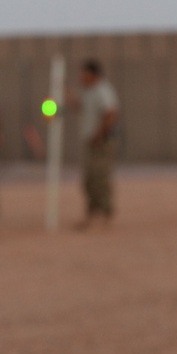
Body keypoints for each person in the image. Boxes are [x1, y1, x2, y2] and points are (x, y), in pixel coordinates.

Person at [75, 59, 119, 228]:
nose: (80, 76)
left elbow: (110, 112)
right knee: (89, 179)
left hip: (102, 143)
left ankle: (106, 215)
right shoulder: (88, 91)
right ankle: (92, 213)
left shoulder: (102, 90)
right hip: (91, 142)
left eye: (83, 72)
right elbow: (82, 107)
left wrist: (99, 134)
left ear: (92, 74)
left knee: (101, 178)